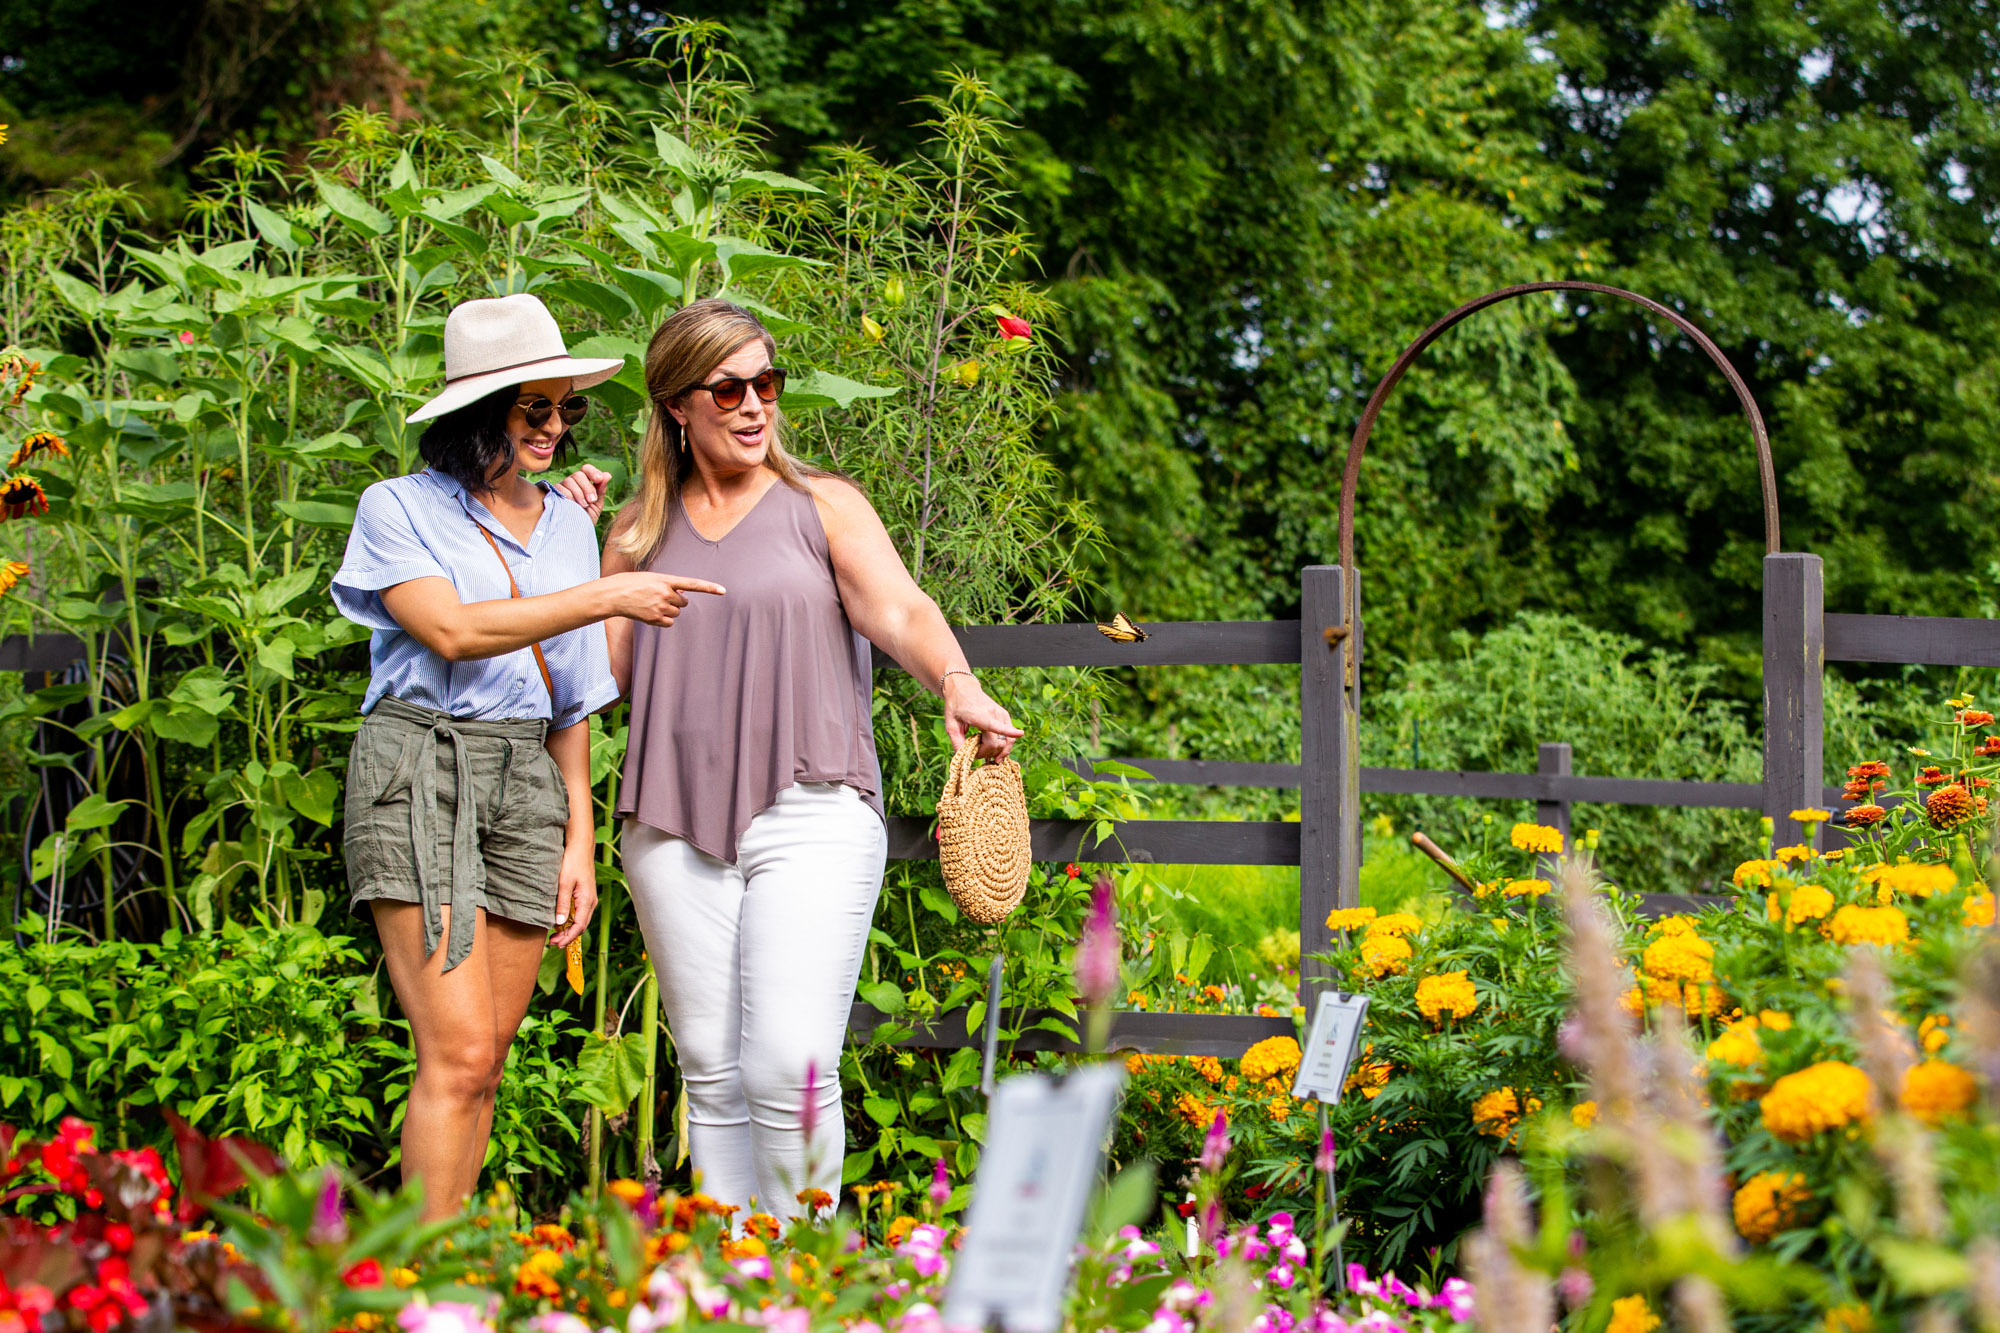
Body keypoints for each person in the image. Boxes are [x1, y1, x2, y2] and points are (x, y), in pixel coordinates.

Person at [564, 297, 1022, 1218]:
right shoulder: (636, 534)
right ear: (676, 407)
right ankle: (737, 1284)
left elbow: (901, 611)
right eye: (727, 388)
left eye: (765, 383)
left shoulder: (822, 505)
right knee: (713, 1069)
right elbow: (589, 683)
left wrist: (958, 682)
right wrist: (573, 552)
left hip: (810, 809)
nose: (752, 405)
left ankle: (807, 1276)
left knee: (789, 1061)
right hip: (668, 822)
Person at [332, 293, 722, 1220]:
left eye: (566, 408)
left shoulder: (566, 524)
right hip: (420, 765)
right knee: (458, 1051)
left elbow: (574, 696)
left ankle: (452, 1267)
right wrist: (607, 595)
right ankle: (412, 1281)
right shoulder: (398, 509)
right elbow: (454, 630)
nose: (554, 426)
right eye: (533, 407)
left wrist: (578, 836)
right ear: (482, 412)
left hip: (526, 778)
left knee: (489, 1060)